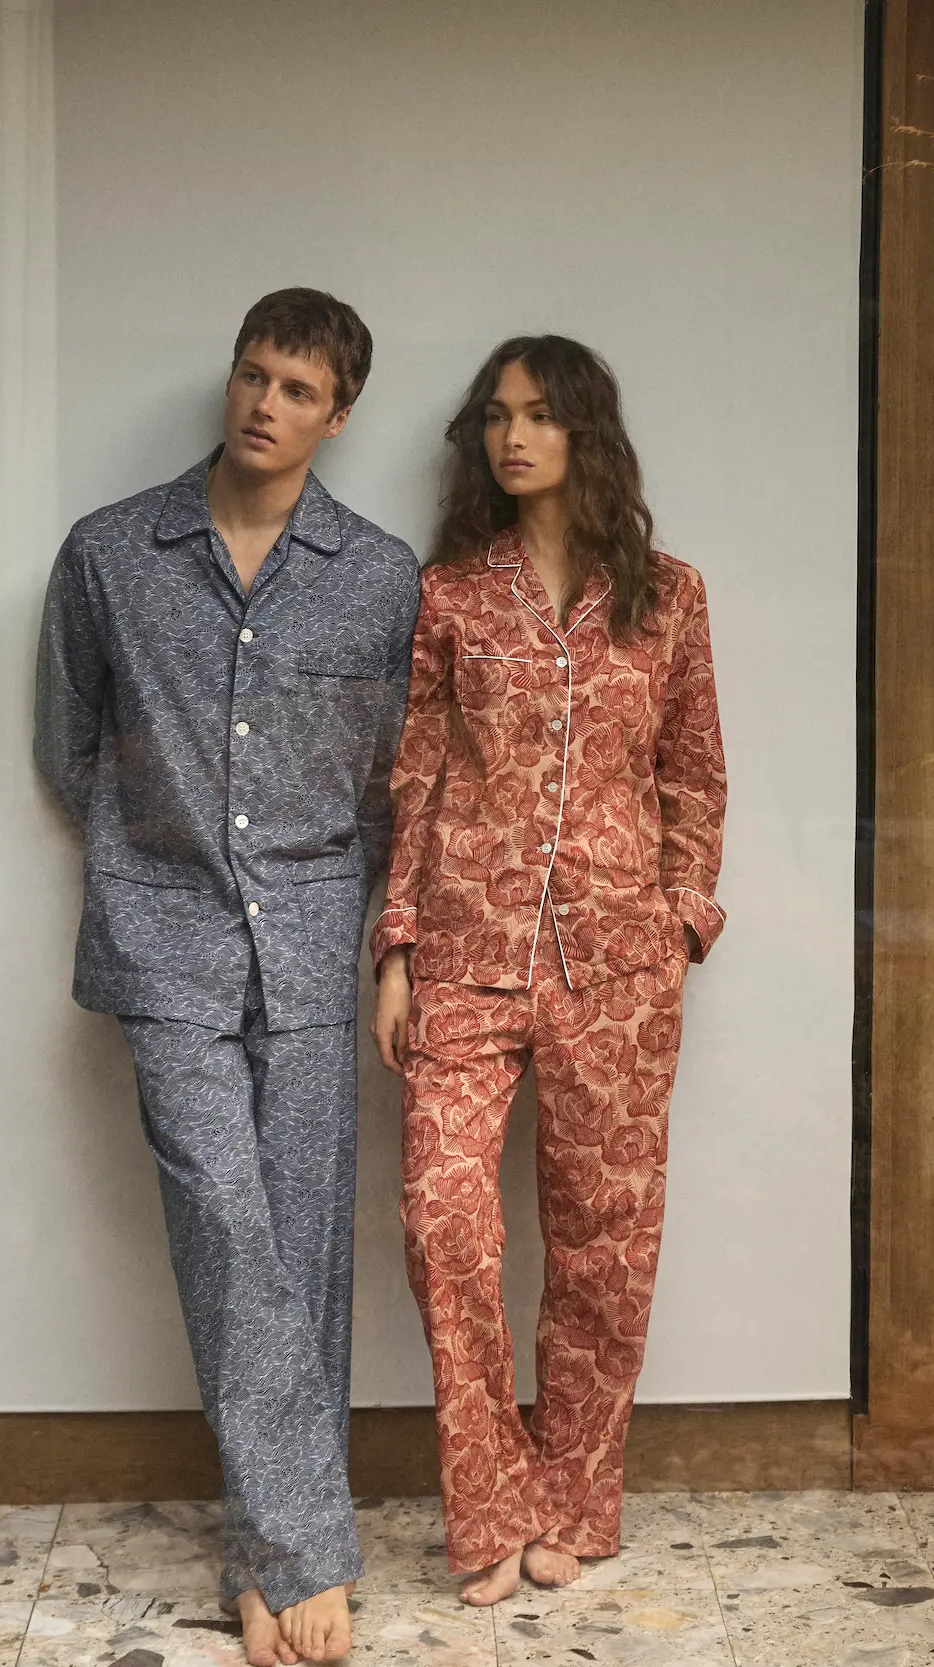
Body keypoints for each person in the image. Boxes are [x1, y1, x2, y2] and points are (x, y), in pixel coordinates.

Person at [35, 288, 417, 1666]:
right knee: (226, 1227)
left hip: (311, 942)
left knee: (302, 1250)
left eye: (298, 388)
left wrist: (378, 937)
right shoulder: (111, 553)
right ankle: (310, 1549)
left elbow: (390, 779)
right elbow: (70, 744)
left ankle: (262, 1559)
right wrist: (157, 850)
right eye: (254, 374)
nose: (266, 403)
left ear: (338, 414)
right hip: (165, 939)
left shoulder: (379, 576)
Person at [370, 335, 728, 1607]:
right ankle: (493, 1501)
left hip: (619, 964)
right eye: (494, 416)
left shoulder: (667, 596)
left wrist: (680, 920)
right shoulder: (450, 596)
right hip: (467, 952)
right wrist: (397, 948)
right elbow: (415, 778)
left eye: (538, 415)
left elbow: (694, 771)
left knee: (602, 1248)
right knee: (444, 1218)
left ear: (587, 431)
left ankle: (572, 1500)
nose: (512, 437)